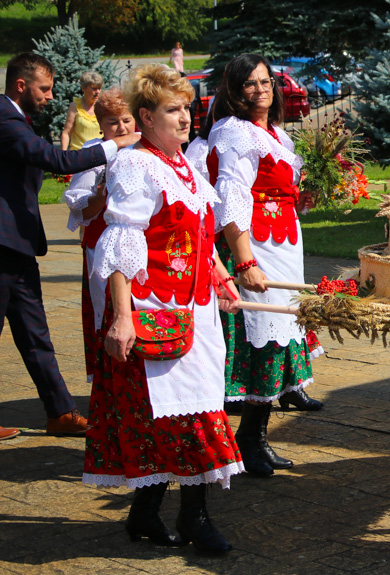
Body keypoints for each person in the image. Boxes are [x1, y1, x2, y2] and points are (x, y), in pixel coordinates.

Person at [83, 64, 243, 554]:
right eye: (173, 110)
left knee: (187, 412)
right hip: (156, 310)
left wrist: (220, 275)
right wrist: (122, 316)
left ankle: (145, 513)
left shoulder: (186, 168)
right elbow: (122, 240)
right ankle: (194, 518)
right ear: (146, 117)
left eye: (188, 109)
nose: (185, 118)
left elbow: (199, 234)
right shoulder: (135, 163)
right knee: (187, 419)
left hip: (196, 312)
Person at [0, 52, 138, 437]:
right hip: (2, 246)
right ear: (21, 85)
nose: (50, 96)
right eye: (44, 89)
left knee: (35, 333)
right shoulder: (3, 116)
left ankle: (60, 413)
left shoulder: (16, 117)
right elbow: (54, 159)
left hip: (17, 247)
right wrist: (116, 145)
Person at [207, 53, 322, 477]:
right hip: (258, 245)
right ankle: (247, 441)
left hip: (284, 244)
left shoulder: (274, 134)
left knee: (280, 337)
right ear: (234, 92)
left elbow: (280, 190)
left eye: (265, 81)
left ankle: (254, 438)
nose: (260, 90)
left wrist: (301, 197)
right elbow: (232, 199)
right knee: (265, 339)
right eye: (250, 84)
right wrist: (244, 262)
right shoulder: (234, 133)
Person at [63, 87, 135, 384]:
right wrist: (102, 196)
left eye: (127, 120)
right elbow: (78, 203)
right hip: (102, 248)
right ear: (101, 125)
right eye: (113, 122)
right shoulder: (94, 153)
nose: (122, 128)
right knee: (106, 312)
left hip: (140, 249)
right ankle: (110, 382)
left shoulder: (145, 148)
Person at [60, 71, 103, 151]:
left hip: (99, 154)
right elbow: (66, 133)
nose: (97, 92)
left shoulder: (103, 105)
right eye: (94, 88)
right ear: (83, 88)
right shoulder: (75, 106)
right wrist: (63, 155)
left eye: (99, 88)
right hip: (78, 154)